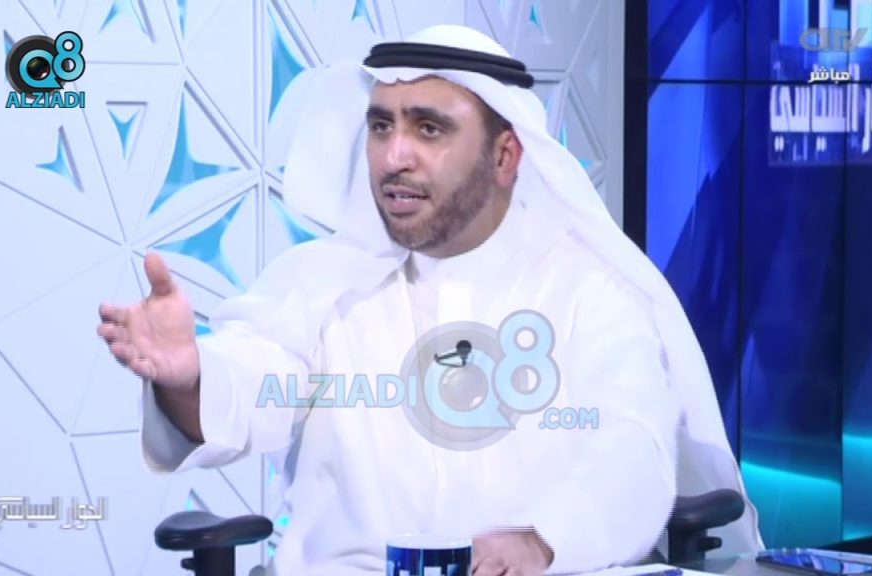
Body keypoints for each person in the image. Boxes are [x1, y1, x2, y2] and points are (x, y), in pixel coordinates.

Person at [97, 25, 763, 576]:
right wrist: (189, 378)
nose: (394, 156)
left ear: (505, 157)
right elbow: (250, 381)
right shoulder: (322, 283)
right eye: (381, 126)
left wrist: (543, 540)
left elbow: (632, 449)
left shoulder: (589, 293)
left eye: (429, 129)